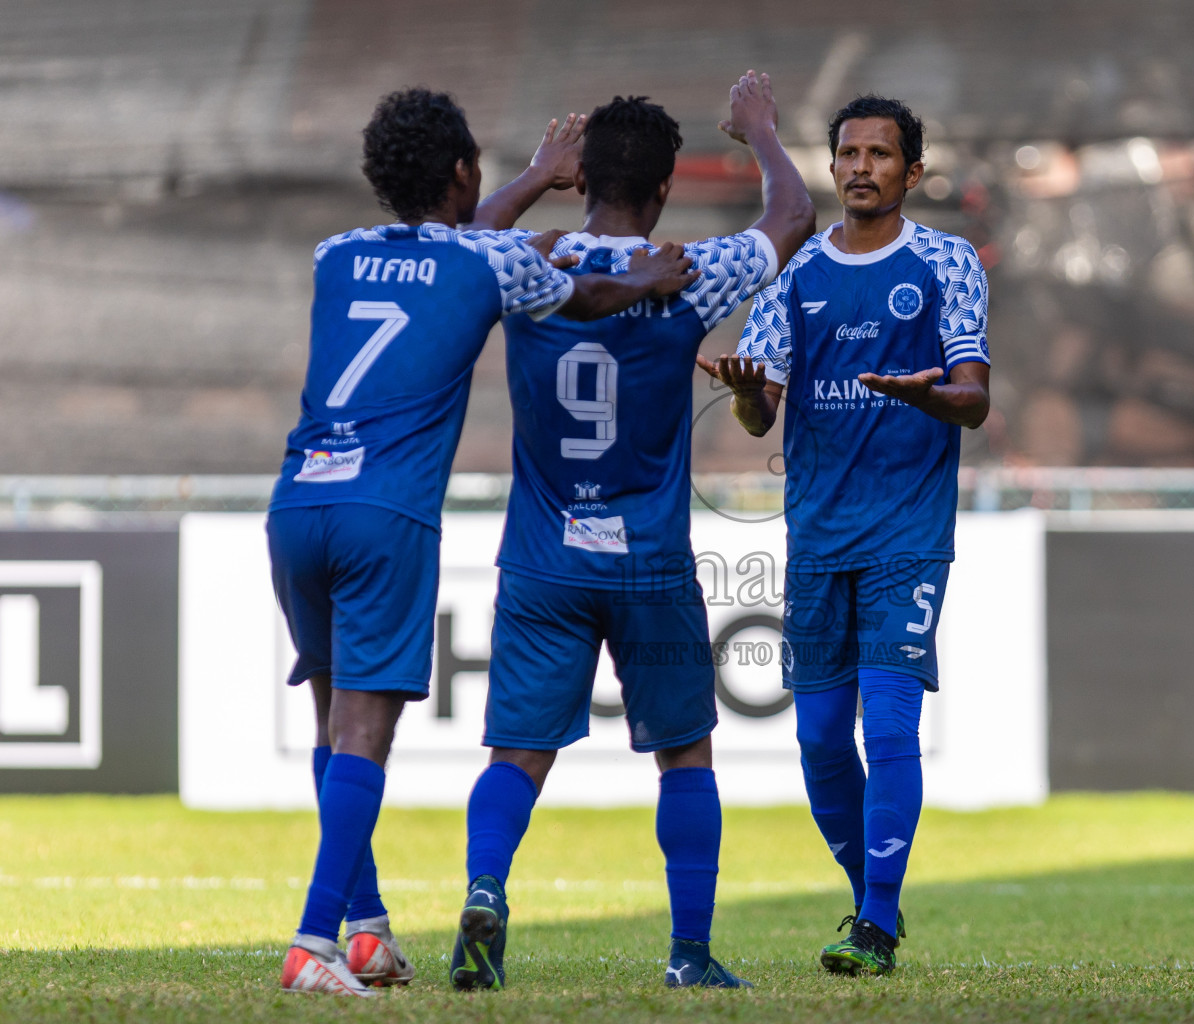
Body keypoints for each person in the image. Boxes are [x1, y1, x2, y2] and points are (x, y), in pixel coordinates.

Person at [267, 86, 698, 997]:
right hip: (384, 513)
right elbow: (582, 295)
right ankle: (312, 941)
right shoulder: (490, 265)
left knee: (329, 716)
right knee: (364, 731)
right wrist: (647, 281)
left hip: (297, 502)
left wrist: (538, 179)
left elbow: (456, 248)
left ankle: (366, 929)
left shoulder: (334, 253)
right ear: (464, 171)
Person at [447, 72, 815, 992]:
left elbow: (452, 249)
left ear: (585, 179)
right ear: (662, 190)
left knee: (517, 755)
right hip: (649, 561)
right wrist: (760, 133)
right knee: (685, 753)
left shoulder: (532, 263)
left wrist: (534, 174)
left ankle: (487, 888)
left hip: (542, 559)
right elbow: (793, 218)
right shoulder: (694, 273)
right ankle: (689, 954)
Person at [700, 94, 991, 976]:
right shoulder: (792, 277)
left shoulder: (948, 261)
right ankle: (871, 900)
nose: (862, 166)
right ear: (832, 167)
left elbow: (974, 399)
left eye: (881, 153)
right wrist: (750, 390)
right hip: (819, 538)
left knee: (889, 724)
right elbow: (759, 418)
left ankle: (874, 918)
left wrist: (925, 396)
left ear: (913, 170)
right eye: (849, 153)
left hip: (908, 531)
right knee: (822, 741)